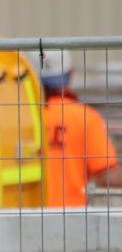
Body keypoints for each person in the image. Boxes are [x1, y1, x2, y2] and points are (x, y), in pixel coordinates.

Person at [34, 49, 122, 206]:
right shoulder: (85, 117)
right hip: (72, 215)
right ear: (71, 75)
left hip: (24, 214)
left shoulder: (23, 117)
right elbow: (106, 177)